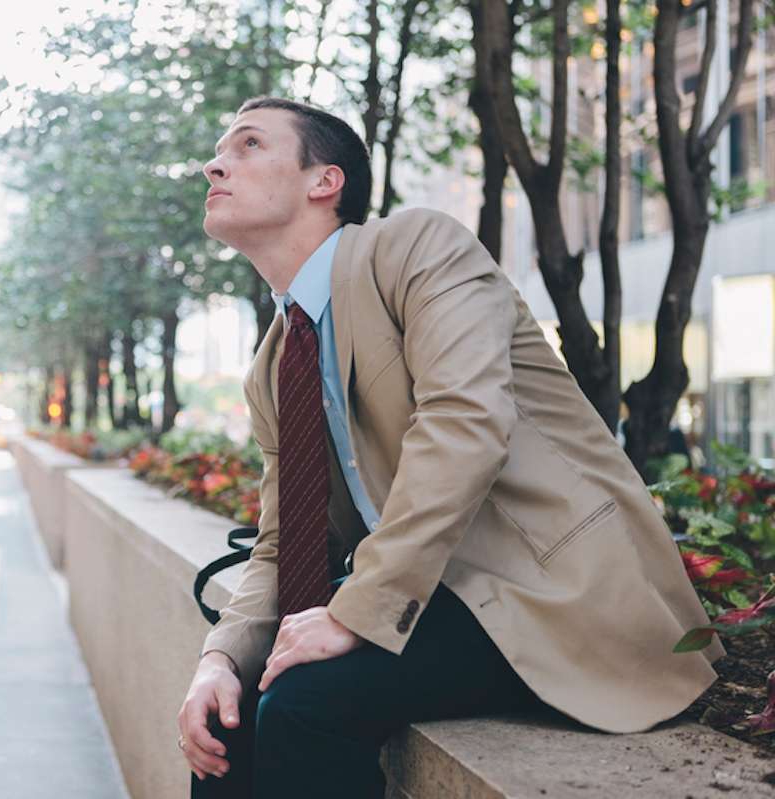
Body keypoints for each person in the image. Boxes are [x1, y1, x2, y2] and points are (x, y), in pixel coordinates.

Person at [177, 97, 722, 798]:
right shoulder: (276, 360)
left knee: (305, 699)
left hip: (544, 589)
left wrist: (355, 609)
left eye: (247, 144)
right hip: (435, 594)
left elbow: (466, 421)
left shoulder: (416, 247)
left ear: (325, 181)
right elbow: (284, 543)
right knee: (226, 709)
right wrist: (219, 657)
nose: (214, 164)